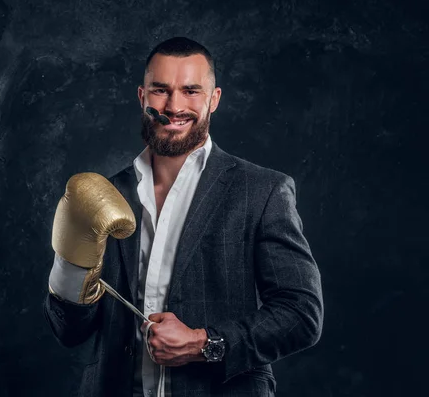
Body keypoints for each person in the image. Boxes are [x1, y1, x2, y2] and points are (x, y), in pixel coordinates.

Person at [43, 37, 323, 397]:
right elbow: (70, 332)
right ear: (142, 97)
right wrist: (70, 265)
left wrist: (202, 343)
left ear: (214, 99)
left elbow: (301, 314)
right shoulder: (104, 196)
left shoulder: (262, 191)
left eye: (191, 91)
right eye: (161, 90)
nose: (173, 107)